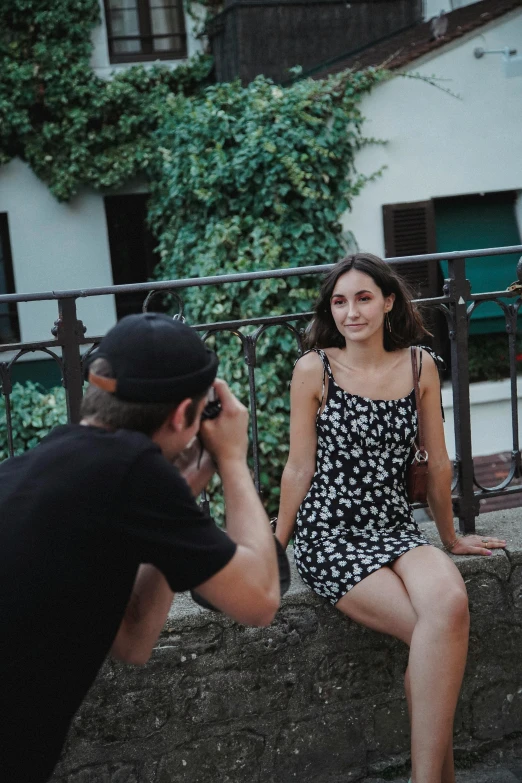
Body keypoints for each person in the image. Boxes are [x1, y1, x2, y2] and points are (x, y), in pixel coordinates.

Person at [0, 312, 280, 783]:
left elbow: (133, 639)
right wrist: (231, 459)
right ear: (181, 415)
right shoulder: (131, 472)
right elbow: (261, 601)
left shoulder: (53, 460)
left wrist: (179, 501)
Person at [275, 253, 506, 783]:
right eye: (339, 301)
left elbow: (439, 459)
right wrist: (277, 546)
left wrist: (450, 537)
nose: (350, 312)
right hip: (329, 534)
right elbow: (298, 465)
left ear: (388, 301)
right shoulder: (315, 369)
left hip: (395, 528)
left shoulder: (421, 365)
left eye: (362, 298)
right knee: (438, 641)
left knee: (447, 603)